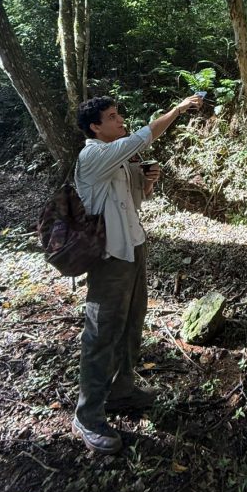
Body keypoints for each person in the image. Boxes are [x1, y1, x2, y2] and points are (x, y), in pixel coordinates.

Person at [72, 93, 203, 454]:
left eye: (119, 114)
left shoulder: (119, 159)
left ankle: (121, 390)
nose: (120, 121)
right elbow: (143, 136)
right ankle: (88, 416)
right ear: (95, 127)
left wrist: (147, 182)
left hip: (134, 249)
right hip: (109, 258)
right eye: (112, 117)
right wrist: (177, 110)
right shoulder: (93, 156)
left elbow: (133, 202)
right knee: (101, 334)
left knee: (131, 323)